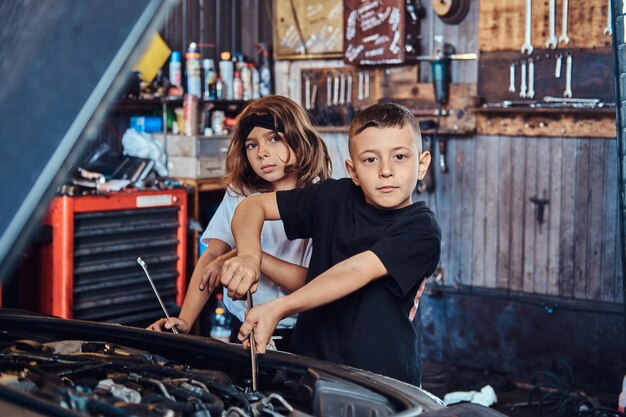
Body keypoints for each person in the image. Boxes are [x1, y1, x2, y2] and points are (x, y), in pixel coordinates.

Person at [220, 102, 441, 386]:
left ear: (421, 164)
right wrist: (250, 256)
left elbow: (355, 271)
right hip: (309, 370)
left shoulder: (421, 228)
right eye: (371, 160)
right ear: (353, 170)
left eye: (399, 157)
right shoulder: (332, 197)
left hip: (381, 381)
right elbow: (252, 207)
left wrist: (280, 307)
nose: (386, 170)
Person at [147, 95, 332, 351]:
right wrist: (185, 320)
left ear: (300, 142)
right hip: (243, 329)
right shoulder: (239, 193)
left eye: (274, 138)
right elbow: (212, 256)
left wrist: (249, 257)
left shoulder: (320, 200)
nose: (263, 153)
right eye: (251, 145)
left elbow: (313, 281)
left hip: (298, 336)